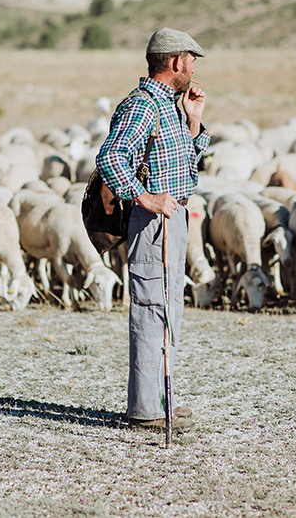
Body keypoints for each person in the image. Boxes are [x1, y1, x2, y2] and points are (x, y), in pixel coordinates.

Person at [94, 28, 210, 431]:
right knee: (150, 307)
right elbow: (110, 156)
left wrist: (193, 123)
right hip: (154, 224)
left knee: (169, 308)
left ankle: (162, 401)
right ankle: (145, 410)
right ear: (176, 62)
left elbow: (183, 168)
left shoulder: (171, 107)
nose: (194, 68)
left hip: (174, 219)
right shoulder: (142, 106)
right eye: (192, 60)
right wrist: (145, 198)